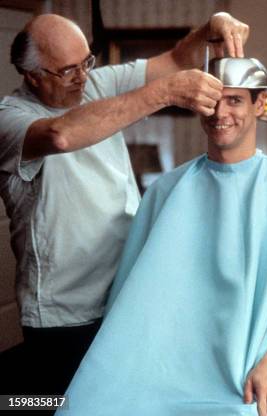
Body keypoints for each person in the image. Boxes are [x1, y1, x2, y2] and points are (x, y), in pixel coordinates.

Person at [57, 58, 267, 416]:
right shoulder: (165, 192)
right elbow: (133, 306)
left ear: (260, 103)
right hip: (163, 372)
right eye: (211, 101)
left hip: (247, 376)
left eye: (235, 100)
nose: (220, 112)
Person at [0, 12, 248, 396]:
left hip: (126, 294)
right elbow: (61, 135)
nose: (83, 76)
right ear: (32, 75)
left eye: (87, 61)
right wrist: (164, 93)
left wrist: (210, 27)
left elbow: (178, 59)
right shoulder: (11, 119)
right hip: (63, 314)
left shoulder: (97, 83)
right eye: (68, 70)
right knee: (51, 404)